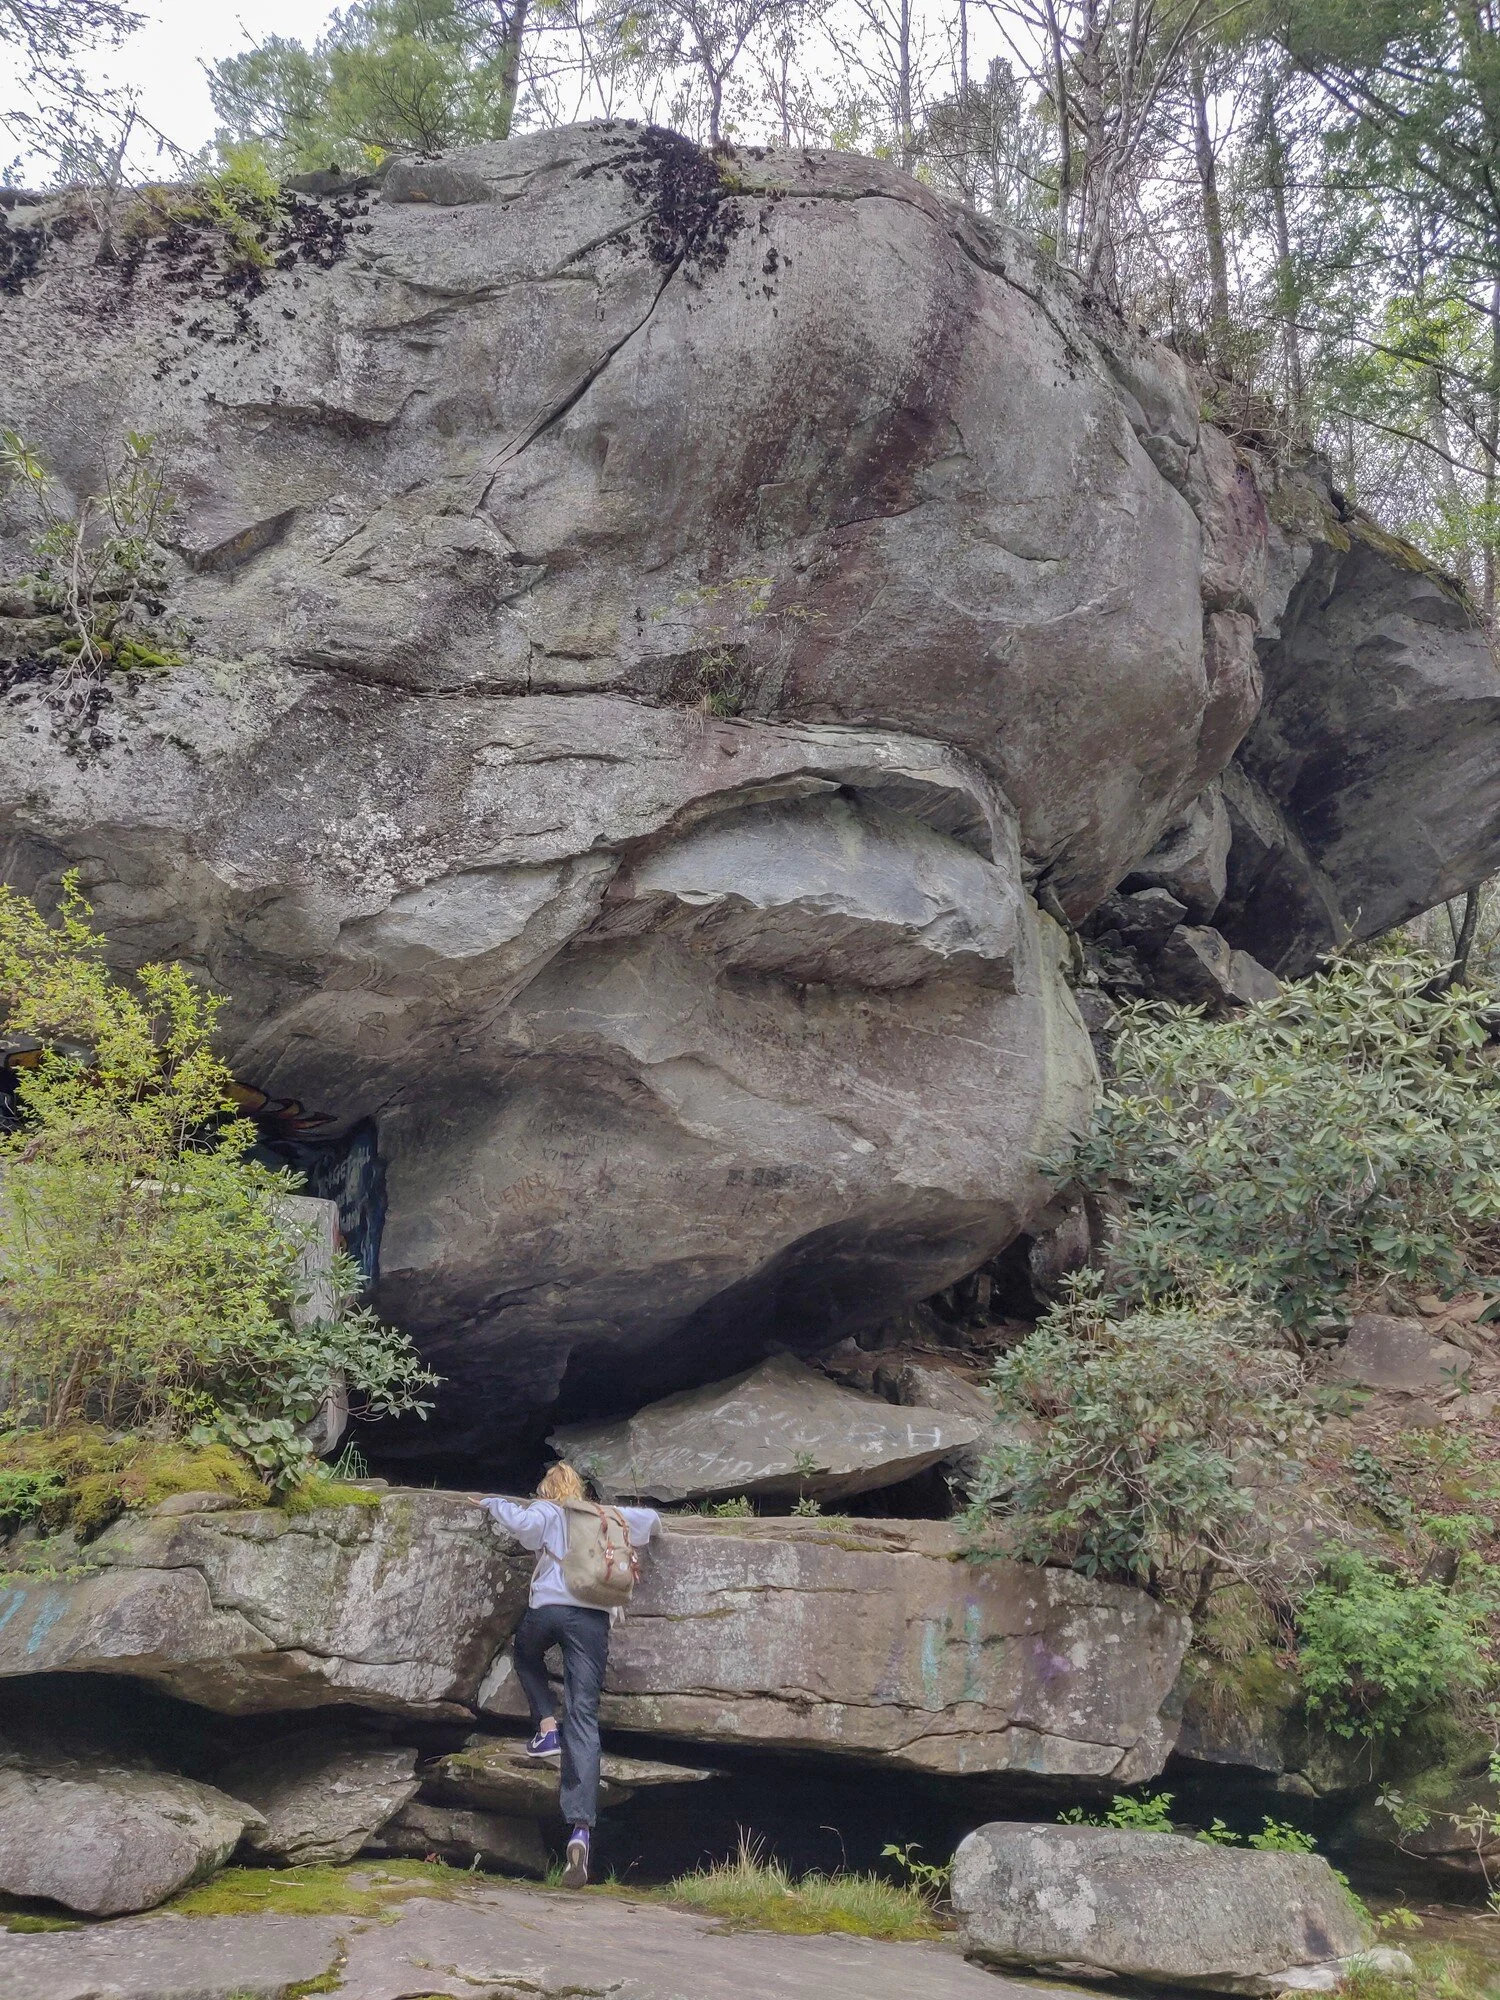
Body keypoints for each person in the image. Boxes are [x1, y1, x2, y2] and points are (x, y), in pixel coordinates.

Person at [480, 1463, 660, 1888]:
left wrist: (491, 1502)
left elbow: (523, 1527)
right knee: (583, 1715)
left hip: (548, 1612)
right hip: (592, 1620)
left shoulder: (547, 1510)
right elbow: (652, 1521)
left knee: (525, 1655)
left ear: (547, 1489)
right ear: (580, 1489)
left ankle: (546, 1729)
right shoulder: (606, 1514)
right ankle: (580, 1829)